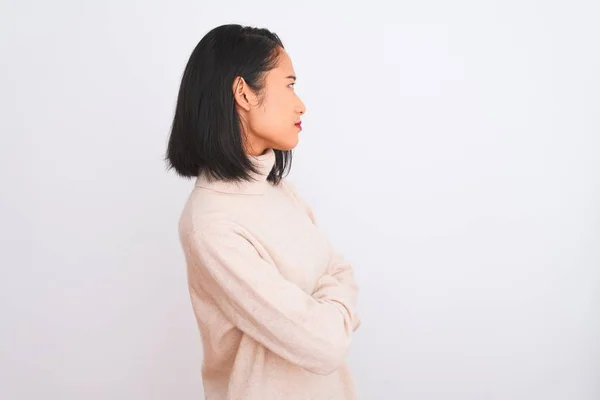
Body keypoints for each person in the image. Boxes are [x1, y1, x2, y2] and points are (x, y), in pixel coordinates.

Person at [166, 24, 361, 400]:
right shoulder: (210, 225)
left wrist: (327, 310)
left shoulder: (275, 190)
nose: (300, 103)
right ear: (243, 93)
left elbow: (341, 270)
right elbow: (325, 346)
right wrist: (335, 312)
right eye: (288, 84)